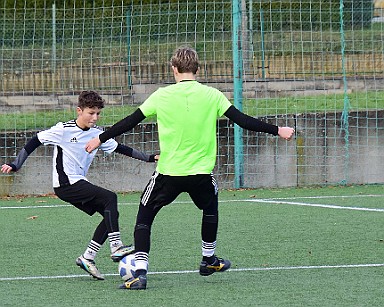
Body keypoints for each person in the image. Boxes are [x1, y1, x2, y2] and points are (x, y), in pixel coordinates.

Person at [85, 46, 295, 290]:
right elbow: (243, 121)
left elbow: (129, 122)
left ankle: (140, 273)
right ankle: (208, 259)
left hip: (168, 174)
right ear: (197, 69)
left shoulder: (162, 95)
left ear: (173, 69)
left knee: (145, 215)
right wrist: (277, 130)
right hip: (200, 175)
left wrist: (99, 138)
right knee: (210, 207)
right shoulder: (212, 95)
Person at [1, 90, 158, 280]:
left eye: (98, 113)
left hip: (77, 183)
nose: (95, 117)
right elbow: (35, 141)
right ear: (79, 111)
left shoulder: (97, 134)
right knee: (110, 198)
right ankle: (116, 246)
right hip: (65, 183)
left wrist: (150, 158)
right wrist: (16, 164)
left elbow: (121, 148)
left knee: (110, 214)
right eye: (91, 113)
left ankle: (87, 257)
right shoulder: (63, 130)